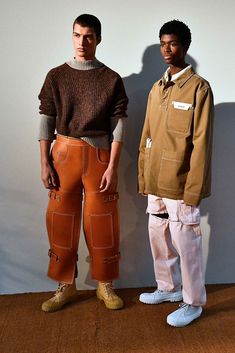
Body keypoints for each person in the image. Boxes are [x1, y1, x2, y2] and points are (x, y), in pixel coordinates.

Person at [38, 14, 128, 312]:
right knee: (61, 221)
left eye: (88, 36)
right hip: (63, 154)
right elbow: (46, 118)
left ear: (98, 39)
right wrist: (45, 162)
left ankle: (105, 284)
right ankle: (65, 285)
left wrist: (113, 166)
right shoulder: (56, 75)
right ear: (72, 36)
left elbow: (117, 124)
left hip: (99, 156)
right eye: (77, 35)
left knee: (103, 221)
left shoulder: (111, 78)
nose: (82, 42)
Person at [138, 20, 214, 327]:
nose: (166, 50)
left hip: (181, 184)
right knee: (158, 236)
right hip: (156, 181)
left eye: (173, 44)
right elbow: (147, 136)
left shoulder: (199, 88)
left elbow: (202, 144)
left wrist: (193, 189)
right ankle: (168, 288)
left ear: (185, 46)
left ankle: (193, 302)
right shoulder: (157, 89)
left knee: (187, 243)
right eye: (162, 43)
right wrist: (144, 177)